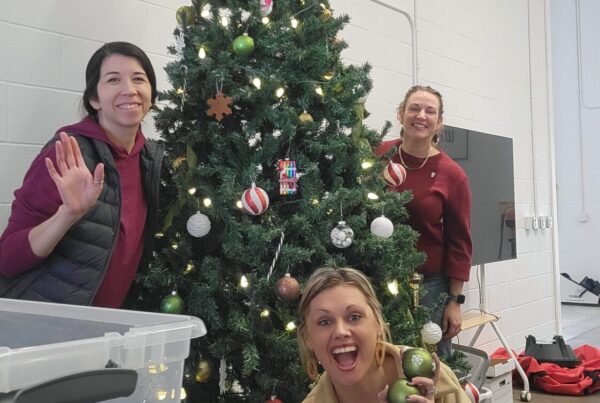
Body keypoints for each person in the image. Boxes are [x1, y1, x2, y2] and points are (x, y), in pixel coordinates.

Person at [0, 42, 164, 308]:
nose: (129, 90)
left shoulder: (150, 160)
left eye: (138, 79)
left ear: (151, 94)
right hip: (47, 329)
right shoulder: (66, 153)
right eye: (113, 80)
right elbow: (7, 260)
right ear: (94, 99)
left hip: (106, 332)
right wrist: (67, 214)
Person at [376, 85, 472, 358]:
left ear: (439, 122)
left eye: (430, 111)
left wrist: (454, 302)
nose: (421, 115)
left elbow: (460, 243)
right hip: (376, 276)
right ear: (400, 113)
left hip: (428, 285)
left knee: (428, 362)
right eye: (414, 108)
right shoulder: (377, 155)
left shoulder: (453, 175)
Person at [298, 267, 470, 403]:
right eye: (324, 322)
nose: (341, 332)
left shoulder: (434, 381)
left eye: (354, 317)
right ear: (308, 339)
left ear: (378, 325)